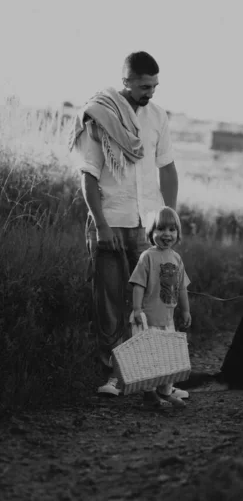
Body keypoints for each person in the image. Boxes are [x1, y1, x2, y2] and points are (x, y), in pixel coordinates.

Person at [69, 51, 179, 396]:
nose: (151, 92)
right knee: (110, 307)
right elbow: (87, 175)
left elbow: (168, 168)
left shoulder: (158, 117)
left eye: (155, 85)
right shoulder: (100, 117)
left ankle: (157, 380)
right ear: (126, 81)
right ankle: (114, 378)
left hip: (148, 226)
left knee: (156, 303)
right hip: (110, 224)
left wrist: (170, 219)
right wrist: (100, 225)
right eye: (145, 85)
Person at [129, 206, 192, 408]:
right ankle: (149, 395)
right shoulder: (147, 256)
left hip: (168, 319)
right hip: (149, 319)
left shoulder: (176, 258)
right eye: (161, 229)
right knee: (150, 359)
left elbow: (182, 288)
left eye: (172, 230)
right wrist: (137, 308)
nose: (167, 234)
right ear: (151, 232)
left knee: (169, 359)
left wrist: (185, 310)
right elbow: (138, 284)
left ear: (178, 234)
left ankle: (165, 392)